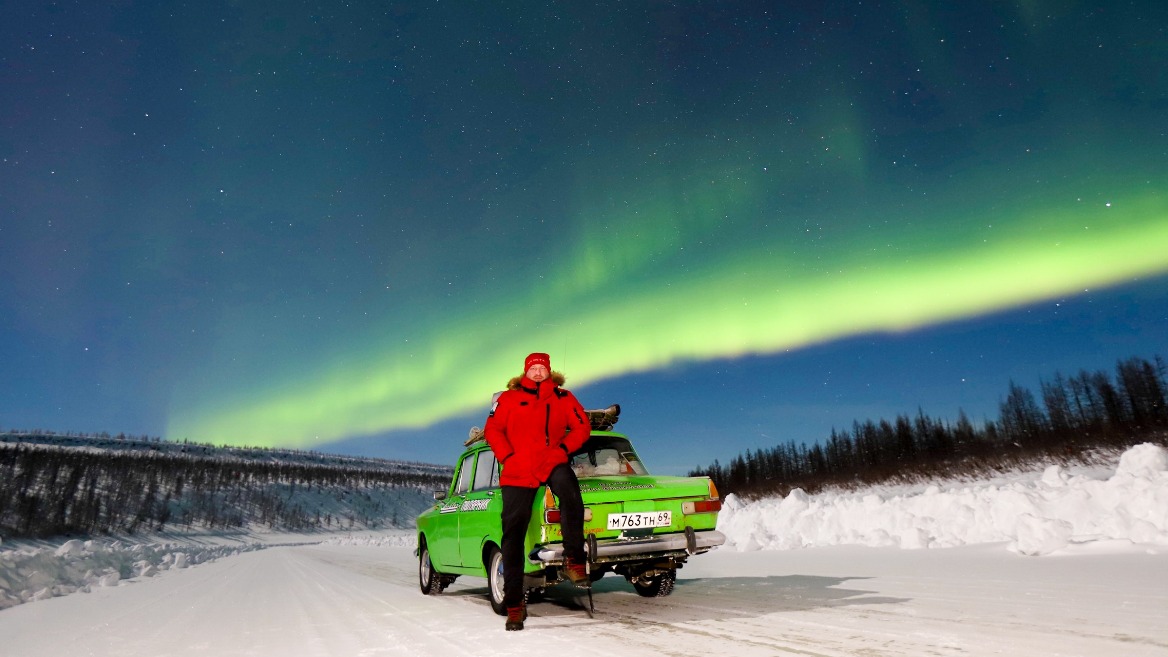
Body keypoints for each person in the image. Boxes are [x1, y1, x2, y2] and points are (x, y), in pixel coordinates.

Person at [483, 352, 592, 631]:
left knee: (570, 491)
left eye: (543, 368)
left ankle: (574, 560)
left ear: (549, 371)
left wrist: (563, 450)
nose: (539, 372)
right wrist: (508, 457)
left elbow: (581, 427)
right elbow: (493, 429)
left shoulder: (563, 398)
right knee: (513, 532)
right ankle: (515, 605)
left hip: (551, 461)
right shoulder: (507, 399)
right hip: (518, 468)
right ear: (526, 372)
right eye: (534, 368)